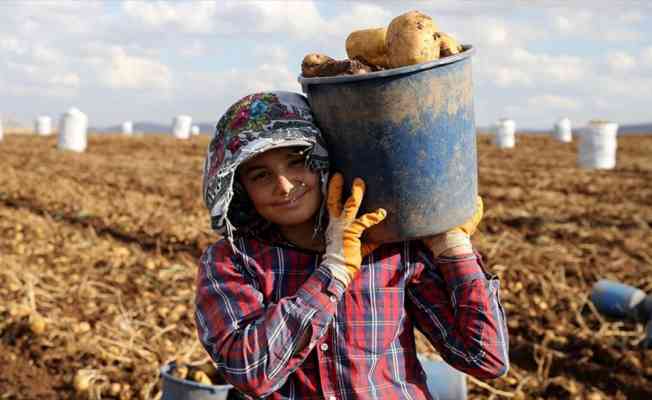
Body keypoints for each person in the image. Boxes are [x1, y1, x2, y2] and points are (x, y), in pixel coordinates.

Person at [195, 91, 509, 399]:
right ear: (240, 188)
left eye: (296, 162)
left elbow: (485, 358)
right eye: (261, 176)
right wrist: (333, 272)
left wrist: (452, 247)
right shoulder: (231, 260)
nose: (284, 186)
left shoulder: (388, 247)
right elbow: (251, 372)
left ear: (323, 158)